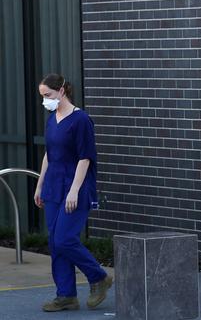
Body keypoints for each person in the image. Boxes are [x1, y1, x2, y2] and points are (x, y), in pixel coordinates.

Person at [33, 74, 113, 312]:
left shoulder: (81, 120)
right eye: (42, 96)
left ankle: (98, 277)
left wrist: (74, 190)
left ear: (62, 91)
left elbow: (85, 157)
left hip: (75, 188)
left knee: (64, 239)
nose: (45, 101)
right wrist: (40, 184)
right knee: (55, 244)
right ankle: (66, 295)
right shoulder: (52, 119)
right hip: (53, 188)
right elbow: (49, 154)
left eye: (47, 95)